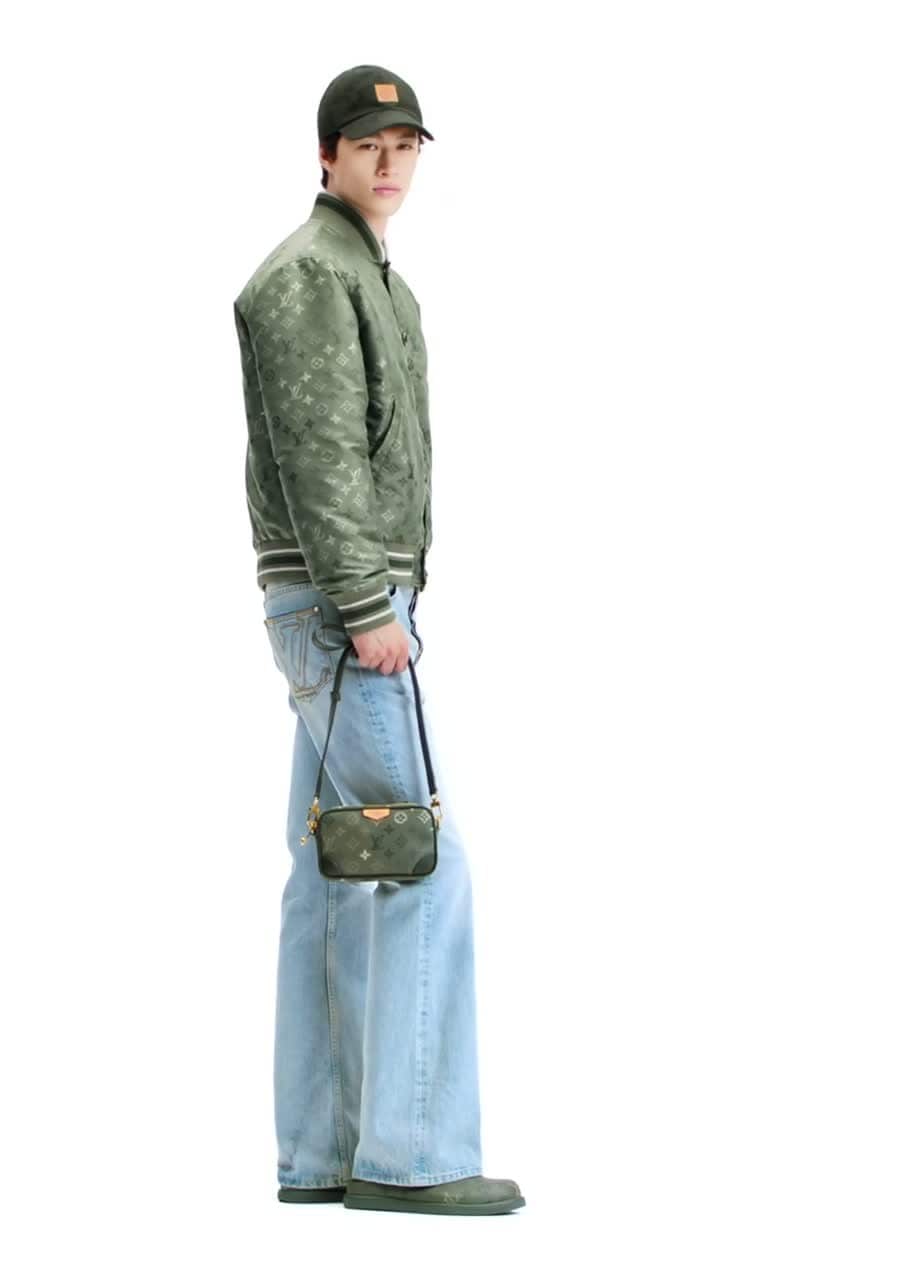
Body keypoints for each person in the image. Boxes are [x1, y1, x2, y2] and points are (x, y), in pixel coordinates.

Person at [232, 65, 525, 1216]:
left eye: (405, 144)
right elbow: (318, 453)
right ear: (327, 156)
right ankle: (411, 1154)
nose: (390, 162)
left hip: (333, 603)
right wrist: (366, 605)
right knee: (417, 859)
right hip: (342, 606)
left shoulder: (367, 276)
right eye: (367, 145)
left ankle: (316, 1153)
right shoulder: (313, 275)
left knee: (330, 867)